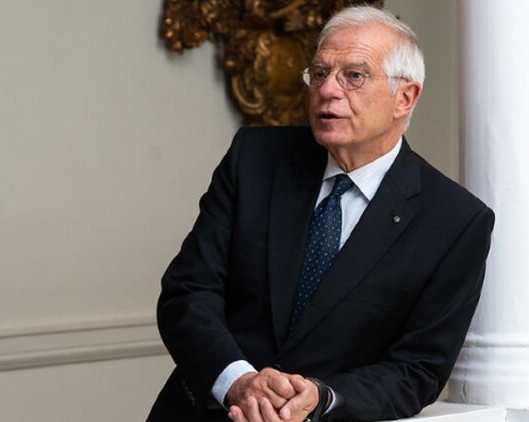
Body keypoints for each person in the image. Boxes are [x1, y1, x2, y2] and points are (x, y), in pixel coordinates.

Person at [148, 5, 494, 422]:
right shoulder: (254, 158)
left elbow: (415, 370)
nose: (328, 90)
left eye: (354, 76)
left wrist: (321, 399)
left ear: (405, 98)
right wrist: (238, 382)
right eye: (319, 73)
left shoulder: (455, 221)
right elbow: (188, 292)